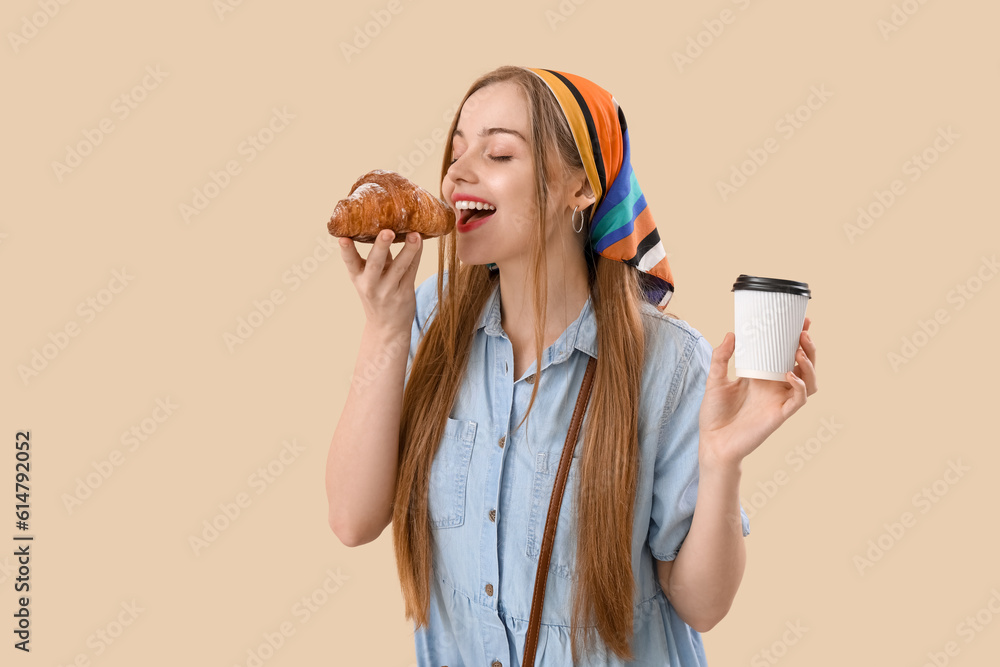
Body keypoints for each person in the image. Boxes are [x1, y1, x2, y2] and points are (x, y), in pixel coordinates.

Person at [328, 65, 819, 666]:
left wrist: (721, 462)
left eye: (499, 152)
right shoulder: (426, 316)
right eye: (456, 151)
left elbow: (703, 606)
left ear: (580, 188)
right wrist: (384, 328)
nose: (457, 173)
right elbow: (352, 520)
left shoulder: (668, 360)